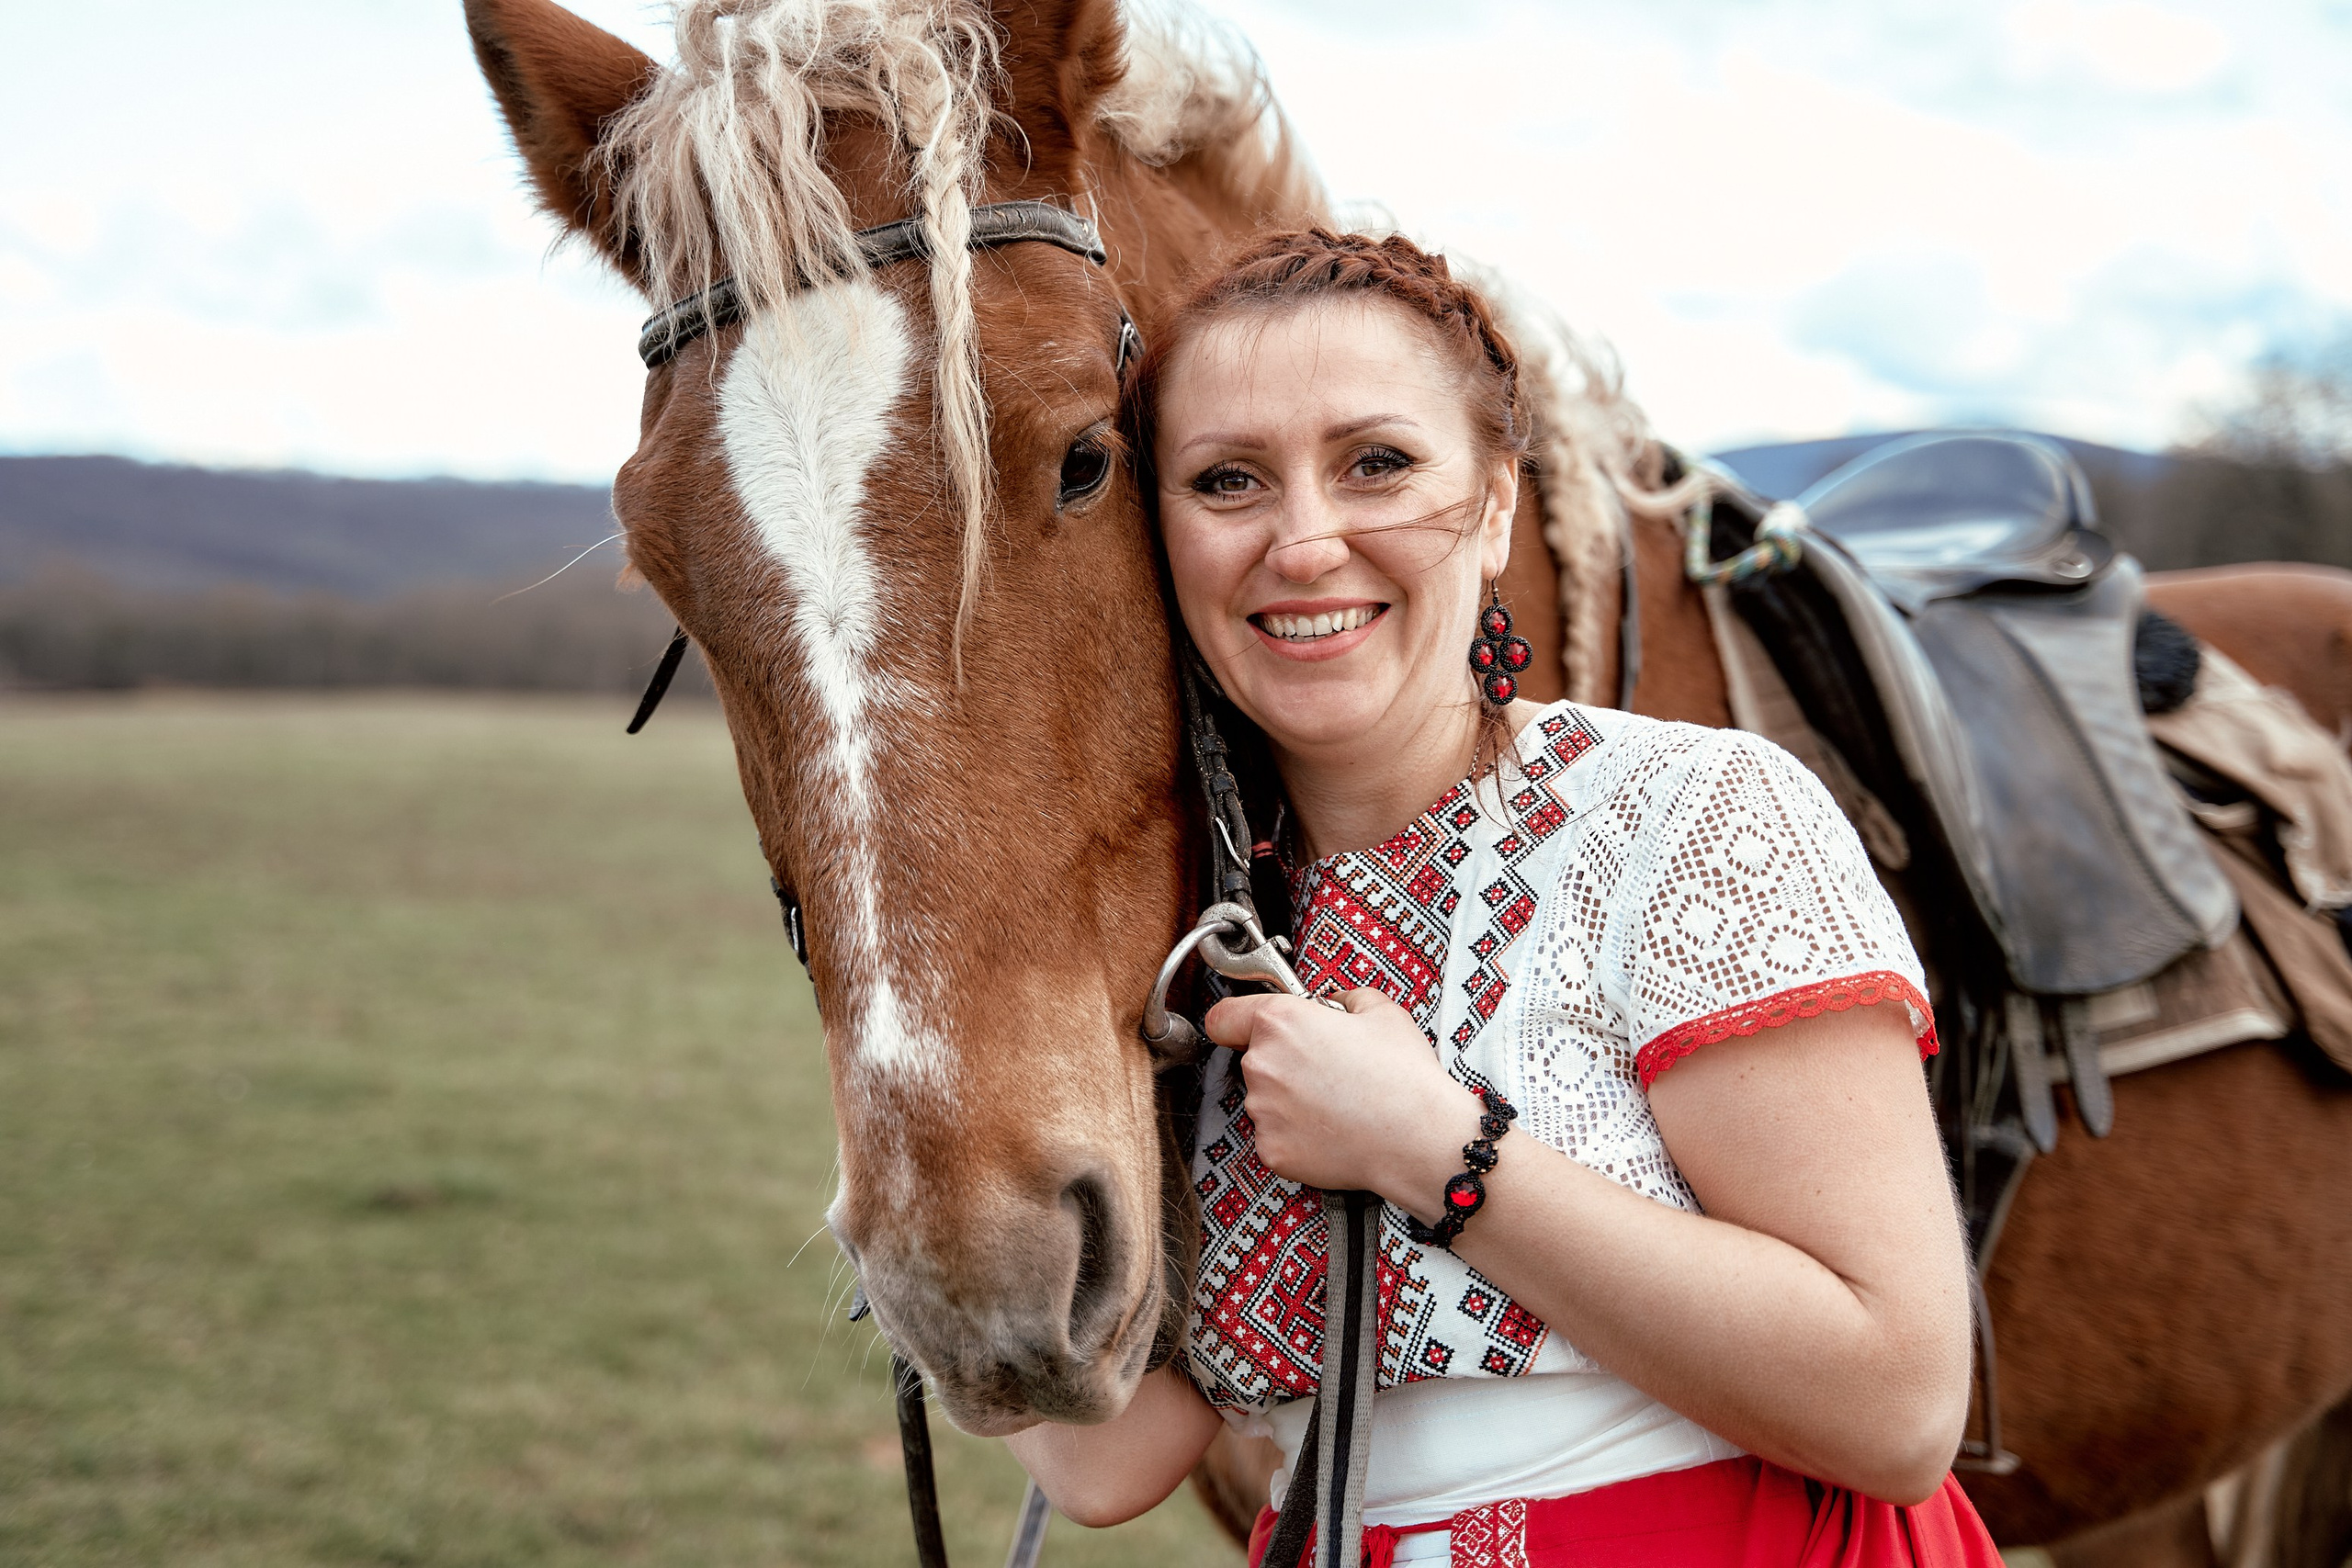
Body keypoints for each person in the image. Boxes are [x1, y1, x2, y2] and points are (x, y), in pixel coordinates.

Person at [1006, 228, 2003, 1567]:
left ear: (1491, 508)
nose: (1304, 541)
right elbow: (1105, 1459)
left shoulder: (1691, 815)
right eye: (1227, 480)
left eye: (1377, 464)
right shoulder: (1199, 930)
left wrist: (1437, 1151)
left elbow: (1896, 1408)